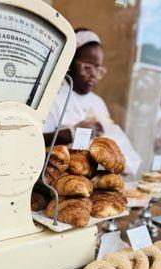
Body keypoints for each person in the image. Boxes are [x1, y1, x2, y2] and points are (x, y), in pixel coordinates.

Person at [43, 28, 141, 176]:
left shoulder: (97, 102)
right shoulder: (52, 97)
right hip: (57, 179)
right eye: (87, 67)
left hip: (93, 180)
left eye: (98, 68)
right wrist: (72, 132)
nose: (93, 74)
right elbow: (35, 140)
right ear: (69, 64)